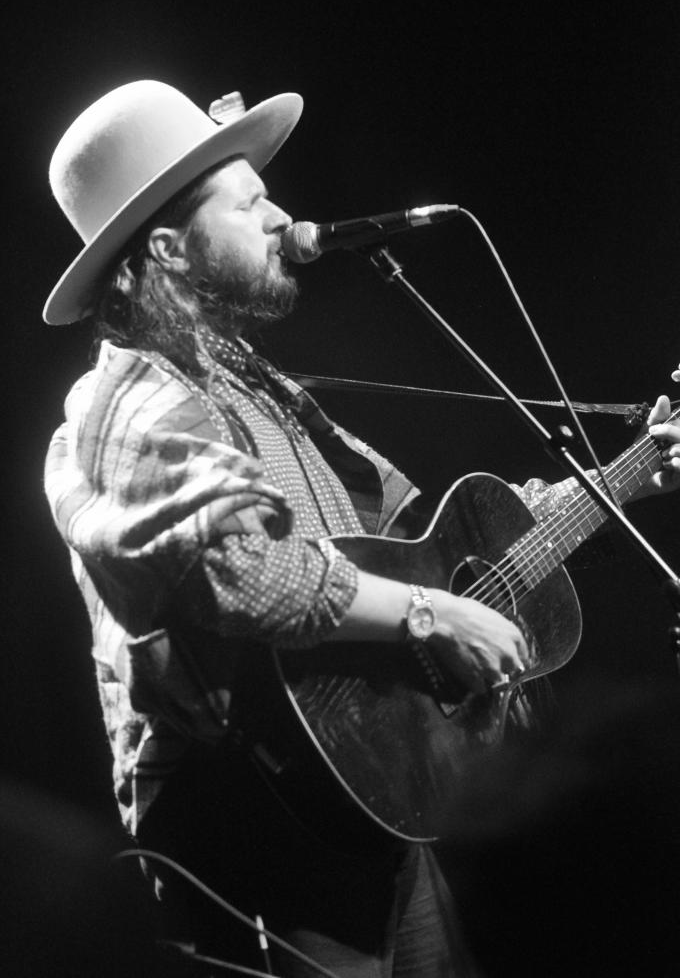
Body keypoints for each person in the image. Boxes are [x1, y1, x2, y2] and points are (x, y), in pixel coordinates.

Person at [42, 80, 680, 977]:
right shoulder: (128, 404)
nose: (282, 218)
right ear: (169, 250)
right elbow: (236, 570)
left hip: (371, 803)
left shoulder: (258, 389)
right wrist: (430, 615)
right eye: (250, 202)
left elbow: (447, 547)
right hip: (258, 835)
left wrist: (628, 478)